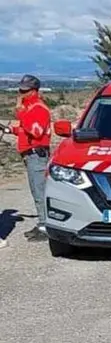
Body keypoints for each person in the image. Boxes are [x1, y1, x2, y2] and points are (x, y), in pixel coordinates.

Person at [2, 75, 51, 242]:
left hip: (36, 154)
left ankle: (45, 226)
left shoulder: (37, 108)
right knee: (35, 190)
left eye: (25, 90)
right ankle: (42, 223)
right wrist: (11, 130)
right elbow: (25, 130)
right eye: (21, 89)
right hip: (31, 154)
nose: (21, 93)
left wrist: (21, 112)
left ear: (34, 90)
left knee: (39, 191)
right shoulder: (30, 107)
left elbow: (36, 132)